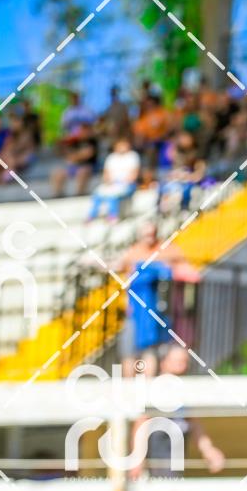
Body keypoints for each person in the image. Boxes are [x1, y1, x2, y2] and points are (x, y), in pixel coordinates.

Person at [130, 346, 226, 491]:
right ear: (164, 363)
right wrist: (137, 457)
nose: (183, 364)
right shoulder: (157, 388)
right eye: (177, 360)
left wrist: (208, 450)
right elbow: (142, 422)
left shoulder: (184, 389)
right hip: (161, 454)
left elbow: (193, 423)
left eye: (185, 360)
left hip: (176, 457)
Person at [112, 222, 199, 377]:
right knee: (128, 353)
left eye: (152, 234)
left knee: (150, 351)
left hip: (156, 312)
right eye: (146, 234)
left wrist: (165, 268)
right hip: (133, 312)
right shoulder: (134, 252)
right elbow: (118, 266)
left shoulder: (167, 251)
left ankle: (147, 385)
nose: (149, 238)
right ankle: (128, 388)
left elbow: (191, 272)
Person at [87, 137, 140, 223]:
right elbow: (106, 175)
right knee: (98, 193)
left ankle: (113, 216)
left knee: (113, 195)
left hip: (127, 185)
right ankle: (92, 216)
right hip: (112, 184)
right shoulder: (111, 157)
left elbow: (134, 175)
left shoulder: (133, 156)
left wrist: (121, 182)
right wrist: (110, 182)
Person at [159, 131, 205, 214]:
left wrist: (186, 176)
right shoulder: (179, 158)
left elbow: (198, 176)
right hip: (177, 185)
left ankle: (182, 210)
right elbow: (171, 172)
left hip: (191, 186)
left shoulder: (198, 159)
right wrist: (176, 176)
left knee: (181, 190)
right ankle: (165, 212)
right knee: (167, 188)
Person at [51, 122, 98, 196]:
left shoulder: (92, 141)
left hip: (89, 167)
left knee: (83, 172)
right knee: (58, 173)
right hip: (73, 167)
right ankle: (58, 195)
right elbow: (67, 157)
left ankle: (79, 194)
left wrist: (76, 156)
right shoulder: (74, 141)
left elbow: (88, 154)